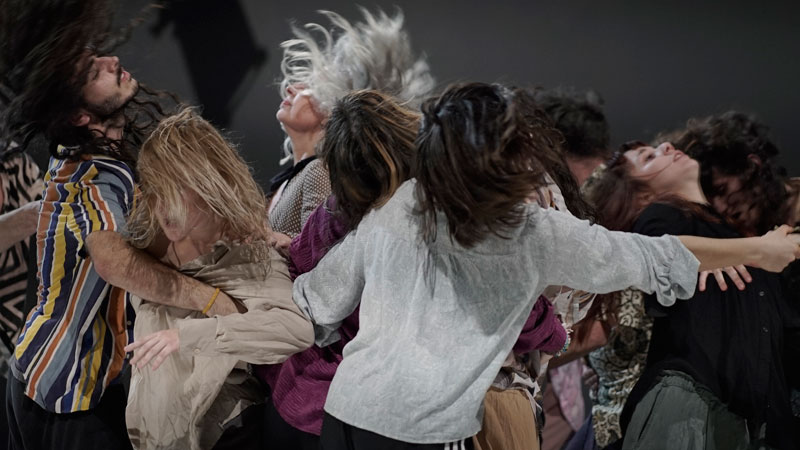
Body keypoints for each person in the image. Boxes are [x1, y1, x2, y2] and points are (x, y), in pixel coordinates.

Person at [291, 82, 799, 449]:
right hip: (421, 430)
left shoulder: (403, 203)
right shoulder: (532, 232)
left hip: (344, 413)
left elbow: (319, 301)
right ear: (510, 152)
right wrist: (761, 250)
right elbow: (658, 256)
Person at [0, 1, 242, 448]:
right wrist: (212, 300)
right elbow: (114, 263)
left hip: (37, 373)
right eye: (96, 71)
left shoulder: (76, 156)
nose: (113, 60)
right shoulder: (96, 175)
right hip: (67, 391)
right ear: (80, 116)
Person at [587, 141, 800, 449]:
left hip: (764, 424)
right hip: (690, 411)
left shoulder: (743, 234)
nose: (666, 146)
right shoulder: (661, 216)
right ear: (643, 195)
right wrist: (737, 252)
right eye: (649, 157)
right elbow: (660, 254)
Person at [122, 108, 313, 449]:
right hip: (157, 426)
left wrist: (187, 334)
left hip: (221, 426)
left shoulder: (247, 249)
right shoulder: (146, 236)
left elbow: (296, 329)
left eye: (175, 190)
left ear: (207, 183)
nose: (163, 206)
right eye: (155, 189)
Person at [260, 89, 420, 449]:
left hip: (307, 398)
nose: (291, 91)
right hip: (359, 410)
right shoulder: (430, 225)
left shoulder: (336, 210)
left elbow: (305, 273)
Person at [267, 7, 434, 246]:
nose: (291, 88)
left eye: (310, 88)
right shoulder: (289, 179)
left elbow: (317, 249)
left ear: (332, 110)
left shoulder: (320, 172)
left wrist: (277, 241)